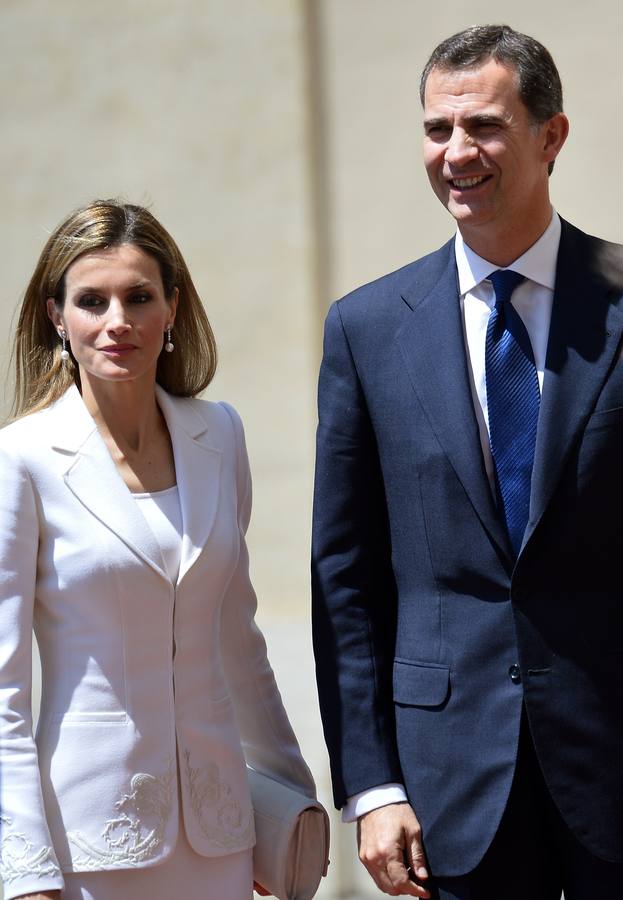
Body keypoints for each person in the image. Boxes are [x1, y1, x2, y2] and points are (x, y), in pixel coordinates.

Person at [312, 24, 623, 900]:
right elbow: (346, 576)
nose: (456, 152)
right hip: (449, 784)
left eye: (482, 126)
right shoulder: (366, 330)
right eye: (435, 130)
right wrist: (372, 786)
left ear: (550, 135)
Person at [0, 199, 315, 900]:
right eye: (92, 301)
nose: (117, 321)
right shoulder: (22, 458)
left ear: (171, 308)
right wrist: (23, 871)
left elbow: (239, 640)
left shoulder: (219, 435)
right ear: (57, 315)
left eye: (139, 297)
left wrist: (290, 804)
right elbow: (5, 690)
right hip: (86, 840)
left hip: (221, 834)